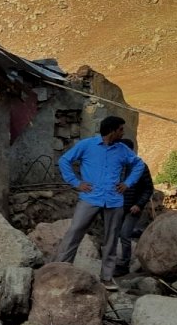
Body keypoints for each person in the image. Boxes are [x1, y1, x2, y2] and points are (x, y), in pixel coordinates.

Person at [54, 115, 145, 290]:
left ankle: (107, 278)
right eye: (120, 129)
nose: (123, 132)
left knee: (111, 239)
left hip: (114, 200)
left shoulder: (122, 149)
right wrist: (76, 182)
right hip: (90, 198)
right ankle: (61, 270)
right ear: (112, 131)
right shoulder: (87, 145)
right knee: (74, 232)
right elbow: (64, 160)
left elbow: (139, 165)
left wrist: (128, 183)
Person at [112, 138, 155, 277]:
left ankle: (123, 265)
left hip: (133, 208)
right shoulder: (115, 165)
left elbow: (149, 188)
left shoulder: (140, 167)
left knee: (125, 235)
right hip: (116, 206)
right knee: (112, 234)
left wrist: (139, 204)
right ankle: (110, 262)